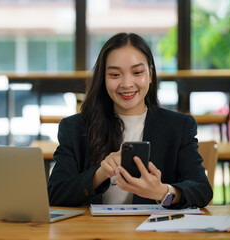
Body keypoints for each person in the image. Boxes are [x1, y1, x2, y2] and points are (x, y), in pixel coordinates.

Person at [47, 32, 212, 209]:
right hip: (95, 233)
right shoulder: (74, 128)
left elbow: (202, 190)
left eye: (137, 72)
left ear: (150, 73)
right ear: (103, 78)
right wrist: (100, 174)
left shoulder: (179, 126)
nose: (126, 83)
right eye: (115, 75)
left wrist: (163, 192)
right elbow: (55, 193)